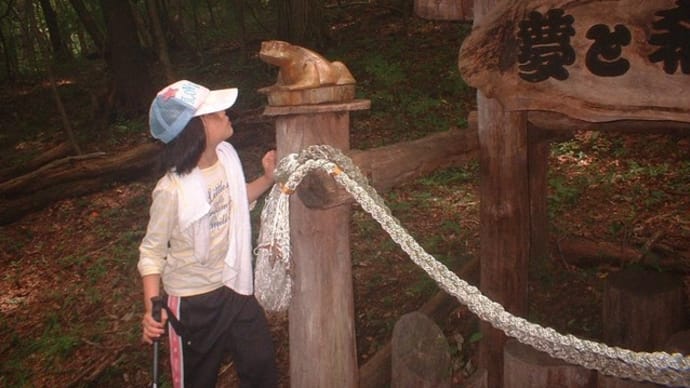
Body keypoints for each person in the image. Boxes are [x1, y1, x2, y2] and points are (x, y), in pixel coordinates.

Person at [138, 79, 278, 388]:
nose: (225, 113)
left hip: (234, 283)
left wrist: (268, 179)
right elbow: (151, 252)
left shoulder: (227, 158)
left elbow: (235, 198)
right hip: (192, 303)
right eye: (215, 112)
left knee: (261, 367)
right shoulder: (171, 190)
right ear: (195, 130)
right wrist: (153, 307)